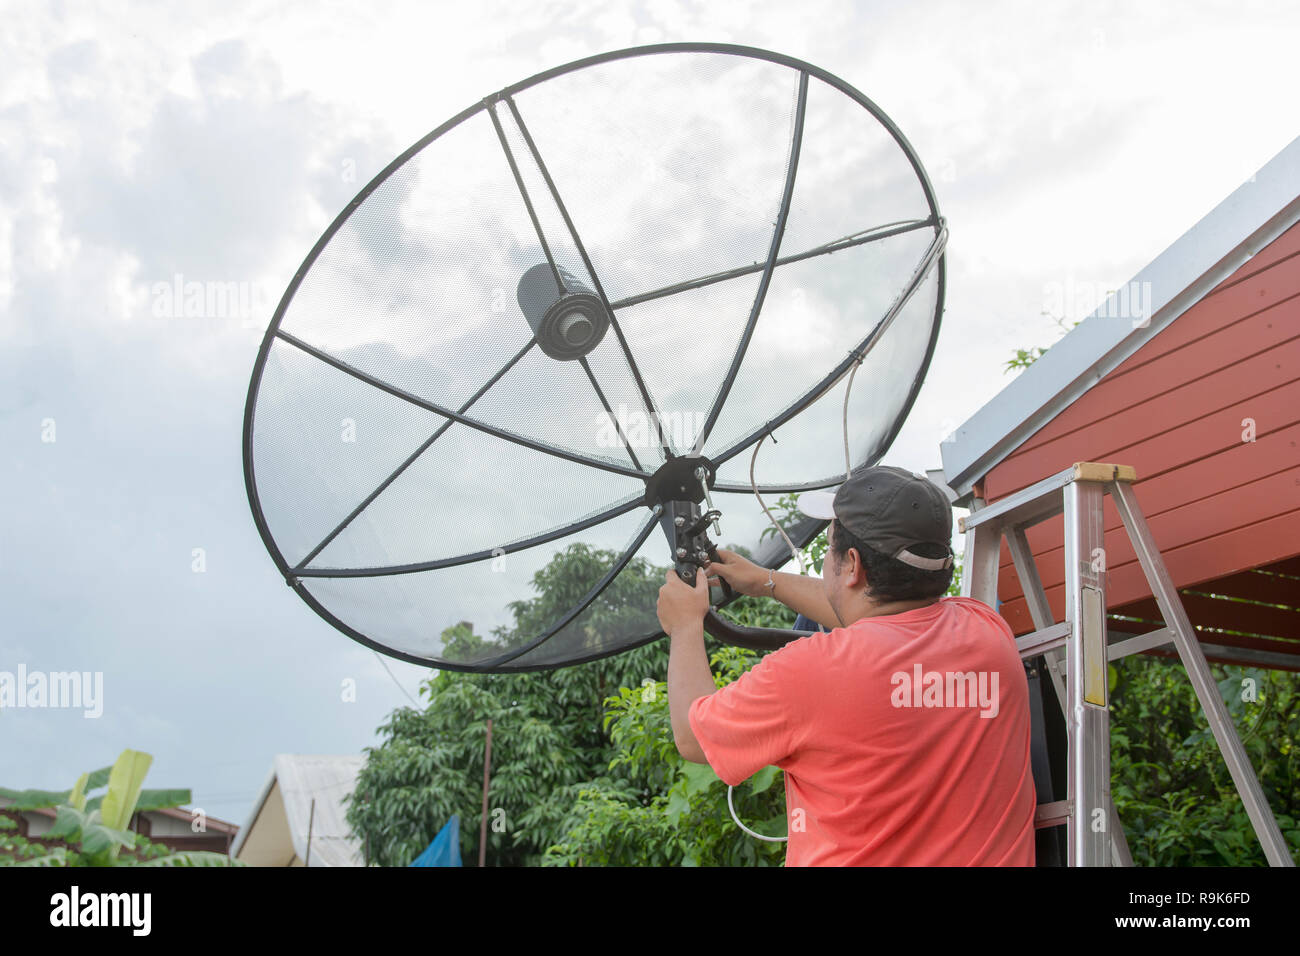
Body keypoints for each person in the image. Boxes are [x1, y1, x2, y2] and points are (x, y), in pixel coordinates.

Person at [655, 465, 1036, 866]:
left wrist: (684, 629)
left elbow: (694, 739)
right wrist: (768, 581)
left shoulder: (810, 673)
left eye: (831, 546)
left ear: (852, 564)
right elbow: (883, 624)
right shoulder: (987, 633)